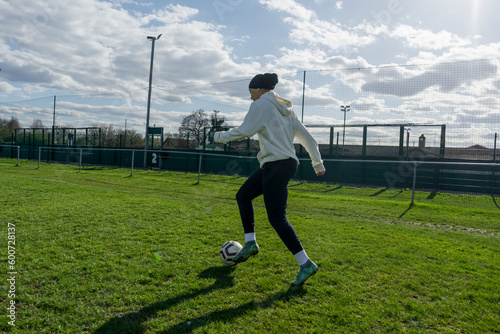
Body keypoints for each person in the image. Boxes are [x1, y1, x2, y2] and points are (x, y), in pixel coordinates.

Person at [214, 73, 326, 286]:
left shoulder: (261, 105)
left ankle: (305, 263)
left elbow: (245, 131)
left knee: (277, 218)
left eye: (250, 93)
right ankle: (250, 243)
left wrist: (219, 137)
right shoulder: (288, 110)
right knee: (243, 195)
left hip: (277, 165)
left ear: (258, 89)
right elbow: (307, 138)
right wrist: (317, 163)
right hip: (278, 165)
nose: (250, 98)